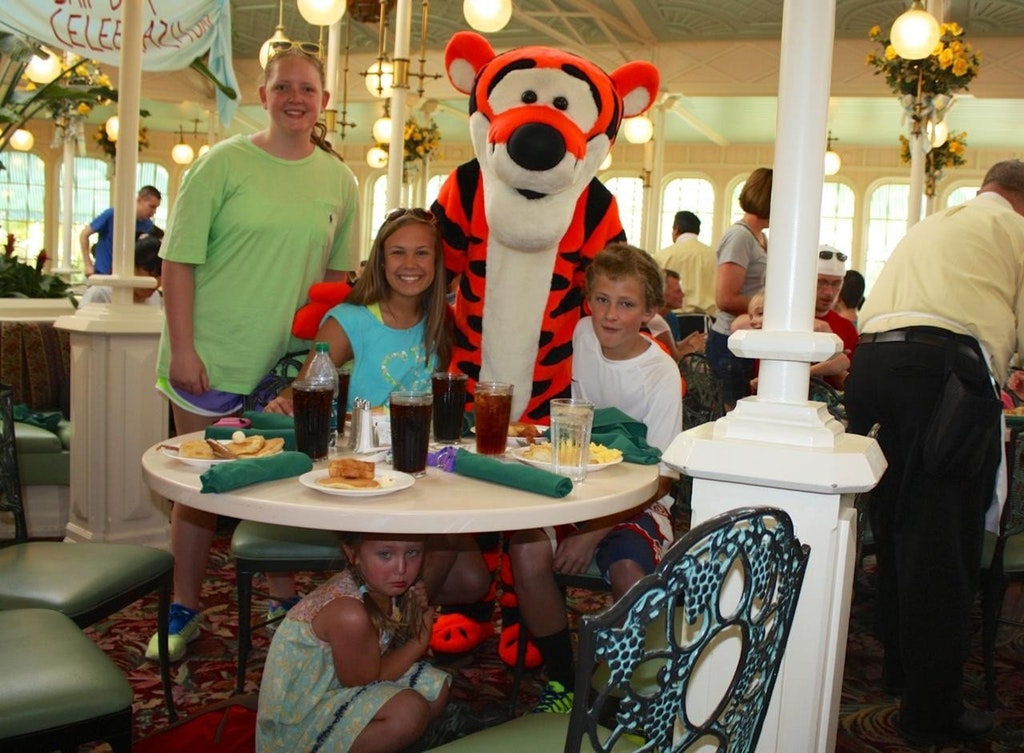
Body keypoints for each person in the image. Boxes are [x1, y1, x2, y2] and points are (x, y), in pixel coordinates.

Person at [148, 45, 360, 662]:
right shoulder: (220, 164)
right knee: (201, 494)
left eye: (309, 89)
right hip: (208, 358)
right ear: (263, 95)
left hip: (285, 370)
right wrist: (183, 348)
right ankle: (183, 607)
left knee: (281, 484)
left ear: (324, 101)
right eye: (283, 86)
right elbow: (176, 262)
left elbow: (336, 282)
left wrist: (315, 365)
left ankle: (281, 596)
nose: (296, 98)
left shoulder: (339, 179)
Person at [844, 159, 1024, 746]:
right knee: (943, 544)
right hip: (942, 374)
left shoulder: (937, 223)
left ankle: (901, 670)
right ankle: (932, 710)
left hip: (871, 364)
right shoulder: (1015, 229)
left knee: (896, 527)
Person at [265, 208, 490, 624]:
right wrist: (284, 401)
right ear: (380, 260)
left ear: (437, 263)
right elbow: (307, 385)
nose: (410, 264)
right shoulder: (350, 320)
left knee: (474, 581)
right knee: (450, 531)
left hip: (422, 467)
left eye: (422, 253)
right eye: (397, 253)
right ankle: (397, 626)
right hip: (367, 472)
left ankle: (384, 610)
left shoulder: (441, 321)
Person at [508, 243, 682, 713]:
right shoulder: (582, 334)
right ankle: (565, 681)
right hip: (576, 488)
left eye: (626, 305)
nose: (610, 315)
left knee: (629, 570)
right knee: (525, 552)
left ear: (649, 312)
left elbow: (663, 478)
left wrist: (591, 533)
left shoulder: (659, 373)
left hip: (637, 501)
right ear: (588, 301)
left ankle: (637, 690)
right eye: (602, 300)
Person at [257, 532, 449, 751]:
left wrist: (413, 608)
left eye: (412, 553)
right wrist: (419, 641)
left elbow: (383, 648)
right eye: (386, 554)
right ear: (352, 553)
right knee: (408, 711)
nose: (402, 568)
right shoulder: (349, 614)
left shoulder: (379, 584)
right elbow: (367, 680)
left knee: (436, 688)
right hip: (300, 720)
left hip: (341, 686)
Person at [707, 168, 772, 410]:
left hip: (749, 336)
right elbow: (725, 298)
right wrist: (769, 309)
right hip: (730, 340)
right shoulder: (740, 237)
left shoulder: (761, 238)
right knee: (733, 416)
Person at [79, 185, 161, 276]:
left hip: (127, 276)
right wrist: (88, 265)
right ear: (139, 200)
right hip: (102, 274)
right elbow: (84, 234)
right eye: (152, 206)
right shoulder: (112, 214)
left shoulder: (148, 225)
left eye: (156, 208)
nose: (154, 211)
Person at [653, 210, 716, 317]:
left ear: (676, 229)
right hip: (708, 320)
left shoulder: (662, 256)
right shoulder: (715, 256)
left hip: (671, 319)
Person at [814, 246, 858, 389]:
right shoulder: (786, 321)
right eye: (822, 282)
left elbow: (850, 385)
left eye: (836, 283)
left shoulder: (847, 328)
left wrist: (831, 356)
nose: (829, 292)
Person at [78, 234, 163, 305]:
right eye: (152, 274)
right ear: (131, 266)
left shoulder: (155, 298)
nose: (157, 282)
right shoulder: (101, 294)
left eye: (162, 276)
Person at [647, 268, 706, 361]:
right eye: (677, 291)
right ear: (661, 292)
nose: (683, 295)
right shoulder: (654, 320)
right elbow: (674, 359)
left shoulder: (671, 317)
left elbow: (670, 347)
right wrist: (693, 347)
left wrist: (686, 342)